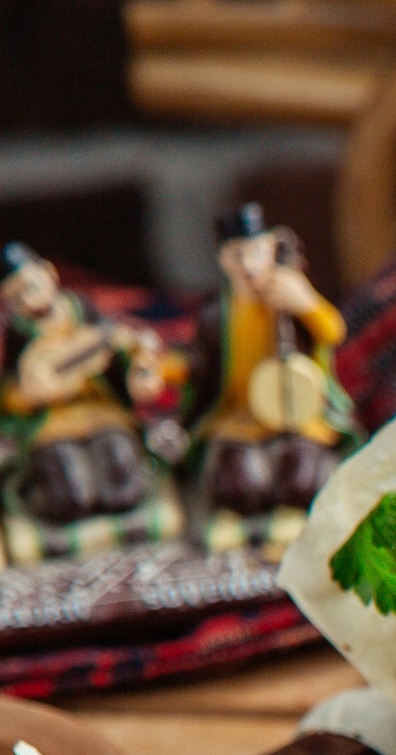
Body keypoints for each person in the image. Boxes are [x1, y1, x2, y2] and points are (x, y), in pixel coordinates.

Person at [0, 242, 176, 526]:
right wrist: (27, 394)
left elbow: (116, 348)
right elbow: (11, 388)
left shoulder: (80, 308)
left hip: (99, 408)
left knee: (120, 472)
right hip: (54, 421)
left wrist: (137, 355)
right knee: (69, 492)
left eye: (30, 287)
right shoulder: (20, 334)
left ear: (49, 273)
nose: (28, 300)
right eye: (16, 298)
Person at [199, 204, 353, 516]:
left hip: (299, 416)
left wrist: (307, 304)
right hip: (241, 419)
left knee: (301, 482)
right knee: (237, 487)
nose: (248, 265)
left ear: (271, 249)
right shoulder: (217, 317)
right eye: (236, 255)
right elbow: (198, 366)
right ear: (223, 260)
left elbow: (333, 332)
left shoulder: (290, 298)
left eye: (255, 253)